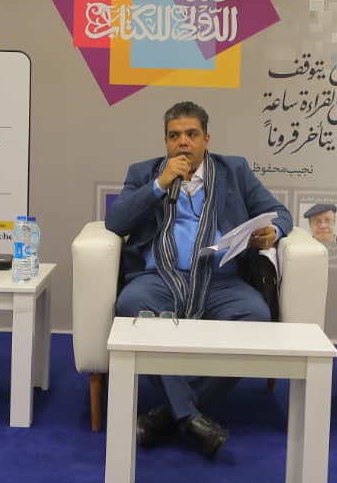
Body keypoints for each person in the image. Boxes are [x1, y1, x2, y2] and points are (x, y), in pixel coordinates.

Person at [107, 100, 292, 459]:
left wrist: (275, 231)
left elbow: (280, 213)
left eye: (191, 134)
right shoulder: (143, 173)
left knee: (256, 316)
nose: (183, 142)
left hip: (220, 280)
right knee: (131, 305)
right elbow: (115, 222)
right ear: (165, 141)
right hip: (159, 277)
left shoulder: (234, 170)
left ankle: (171, 414)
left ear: (206, 139)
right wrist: (159, 185)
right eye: (174, 136)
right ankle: (192, 416)